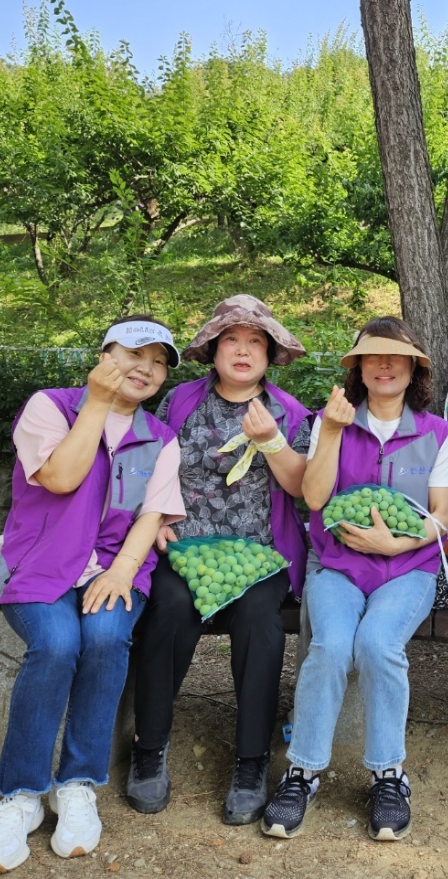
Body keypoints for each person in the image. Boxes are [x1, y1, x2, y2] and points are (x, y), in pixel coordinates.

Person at [0, 318, 186, 875]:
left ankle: (77, 785)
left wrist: (122, 572)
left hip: (116, 569)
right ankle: (20, 795)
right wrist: (95, 403)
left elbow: (152, 516)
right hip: (40, 565)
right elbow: (61, 478)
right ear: (104, 355)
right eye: (134, 354)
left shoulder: (160, 438)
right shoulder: (50, 407)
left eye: (159, 362)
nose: (146, 369)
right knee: (57, 644)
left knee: (106, 638)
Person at [261, 317, 448, 842]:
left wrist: (398, 544)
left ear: (414, 368)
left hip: (408, 569)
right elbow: (314, 497)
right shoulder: (332, 421)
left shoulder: (436, 432)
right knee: (329, 647)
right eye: (373, 356)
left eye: (396, 357)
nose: (385, 365)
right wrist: (329, 431)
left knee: (377, 644)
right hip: (337, 566)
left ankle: (388, 774)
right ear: (359, 367)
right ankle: (302, 772)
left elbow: (442, 516)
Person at [127, 295, 311, 825]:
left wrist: (270, 440)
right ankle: (148, 747)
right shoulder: (180, 400)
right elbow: (146, 462)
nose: (243, 350)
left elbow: (301, 488)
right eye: (232, 339)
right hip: (183, 548)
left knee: (259, 620)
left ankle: (252, 762)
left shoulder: (289, 412)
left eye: (255, 342)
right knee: (169, 607)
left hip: (258, 555)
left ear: (270, 354)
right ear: (213, 349)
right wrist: (154, 519)